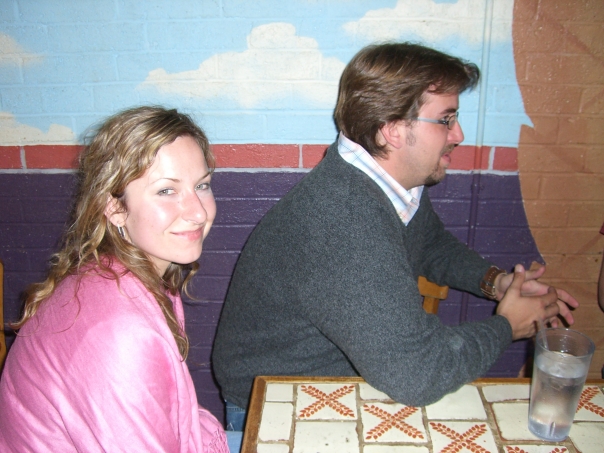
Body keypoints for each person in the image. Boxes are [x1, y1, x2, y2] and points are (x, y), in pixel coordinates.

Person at [211, 43, 578, 429]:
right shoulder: (346, 220)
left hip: (336, 381)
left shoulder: (388, 180)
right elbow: (417, 374)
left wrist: (496, 283)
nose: (458, 133)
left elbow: (430, 242)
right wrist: (506, 326)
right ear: (392, 130)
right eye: (446, 119)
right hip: (275, 404)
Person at [0, 106, 229, 452]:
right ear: (115, 207)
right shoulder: (121, 332)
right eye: (166, 191)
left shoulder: (122, 272)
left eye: (202, 185)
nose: (198, 211)